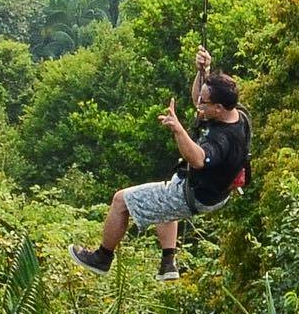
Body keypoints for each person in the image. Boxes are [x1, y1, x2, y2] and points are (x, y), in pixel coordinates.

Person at [69, 46, 250, 281]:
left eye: (204, 103)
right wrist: (202, 71)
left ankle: (102, 258)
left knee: (120, 200)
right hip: (216, 192)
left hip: (197, 195)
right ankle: (168, 263)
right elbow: (201, 97)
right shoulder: (237, 114)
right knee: (164, 191)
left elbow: (197, 159)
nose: (199, 106)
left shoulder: (223, 139)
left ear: (218, 108)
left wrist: (178, 129)